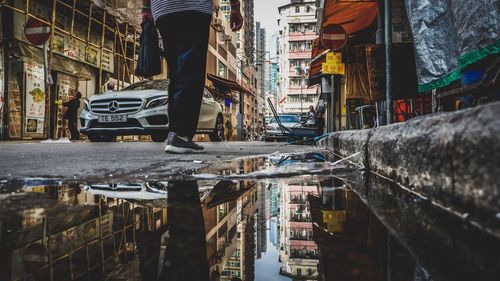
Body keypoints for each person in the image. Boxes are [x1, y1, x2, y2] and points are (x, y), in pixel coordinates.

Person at [142, 0, 243, 153]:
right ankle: (181, 135)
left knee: (176, 72)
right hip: (193, 8)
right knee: (191, 71)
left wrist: (146, 8)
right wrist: (235, 7)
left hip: (163, 11)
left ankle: (175, 133)